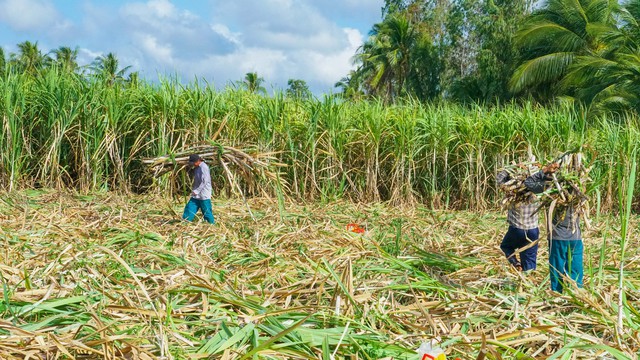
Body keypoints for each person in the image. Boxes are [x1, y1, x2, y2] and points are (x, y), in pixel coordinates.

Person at [524, 162, 583, 293]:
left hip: (558, 238)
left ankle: (558, 295)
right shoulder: (578, 187)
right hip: (575, 238)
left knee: (557, 270)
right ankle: (577, 296)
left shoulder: (549, 188)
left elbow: (528, 183)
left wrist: (544, 171)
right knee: (576, 270)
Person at [497, 168, 540, 271]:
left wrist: (510, 169)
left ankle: (516, 264)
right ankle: (529, 277)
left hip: (517, 230)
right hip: (533, 230)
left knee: (506, 246)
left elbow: (499, 179)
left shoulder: (512, 192)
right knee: (529, 257)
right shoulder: (537, 192)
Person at [182, 154, 215, 224]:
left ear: (198, 161)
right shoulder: (196, 167)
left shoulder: (204, 167)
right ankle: (185, 222)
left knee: (206, 211)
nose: (192, 164)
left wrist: (197, 190)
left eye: (193, 163)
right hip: (196, 193)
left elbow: (205, 181)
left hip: (204, 193)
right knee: (190, 207)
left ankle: (211, 224)